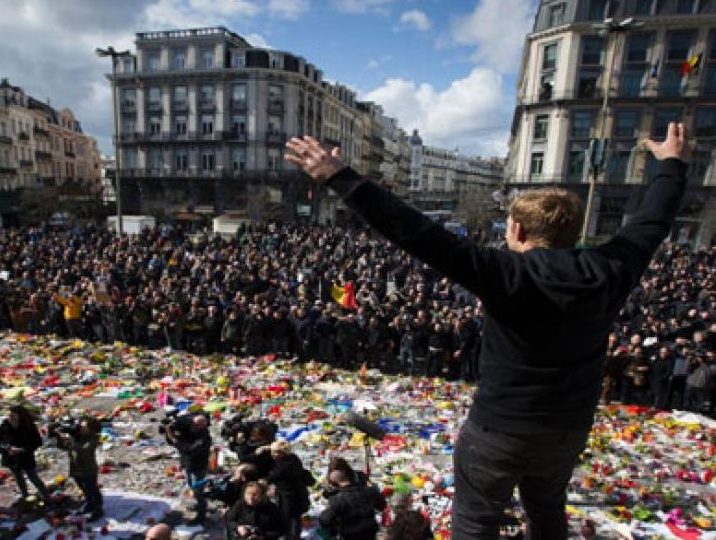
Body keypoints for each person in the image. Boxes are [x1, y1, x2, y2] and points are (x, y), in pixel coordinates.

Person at [286, 122, 692, 540]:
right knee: (547, 512)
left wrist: (339, 176)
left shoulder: (505, 272)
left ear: (516, 231)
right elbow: (652, 222)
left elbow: (416, 232)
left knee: (476, 522)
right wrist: (671, 166)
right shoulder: (611, 270)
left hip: (499, 428)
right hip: (566, 429)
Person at [0, 405, 51, 503]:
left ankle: (46, 497)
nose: (10, 417)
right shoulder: (5, 424)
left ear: (20, 415)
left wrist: (22, 449)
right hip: (10, 457)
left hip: (25, 456)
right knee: (18, 477)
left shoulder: (28, 426)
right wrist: (7, 448)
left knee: (32, 476)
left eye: (13, 415)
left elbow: (37, 442)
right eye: (9, 415)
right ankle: (25, 496)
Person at [53, 415, 104, 521]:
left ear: (91, 430)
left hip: (88, 470)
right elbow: (64, 447)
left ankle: (98, 510)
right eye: (81, 425)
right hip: (76, 469)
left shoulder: (94, 438)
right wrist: (58, 437)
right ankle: (90, 504)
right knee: (84, 489)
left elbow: (84, 450)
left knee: (92, 490)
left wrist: (71, 438)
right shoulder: (77, 435)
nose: (80, 428)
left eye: (84, 427)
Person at [166, 413, 212, 525]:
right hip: (188, 464)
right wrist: (170, 429)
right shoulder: (189, 426)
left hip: (198, 467)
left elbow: (189, 450)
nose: (192, 427)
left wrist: (174, 439)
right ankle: (199, 506)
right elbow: (175, 435)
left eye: (196, 426)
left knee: (198, 490)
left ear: (202, 426)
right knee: (191, 486)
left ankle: (201, 515)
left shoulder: (204, 437)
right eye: (193, 424)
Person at [265, 440, 315, 539]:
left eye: (274, 452)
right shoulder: (293, 458)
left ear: (282, 453)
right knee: (295, 519)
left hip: (290, 498)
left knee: (291, 520)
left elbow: (272, 476)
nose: (272, 454)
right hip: (298, 495)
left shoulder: (284, 466)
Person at [317, 470, 385, 540]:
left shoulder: (338, 499)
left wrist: (335, 528)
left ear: (334, 485)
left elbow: (324, 520)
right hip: (370, 532)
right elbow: (382, 506)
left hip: (351, 535)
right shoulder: (369, 491)